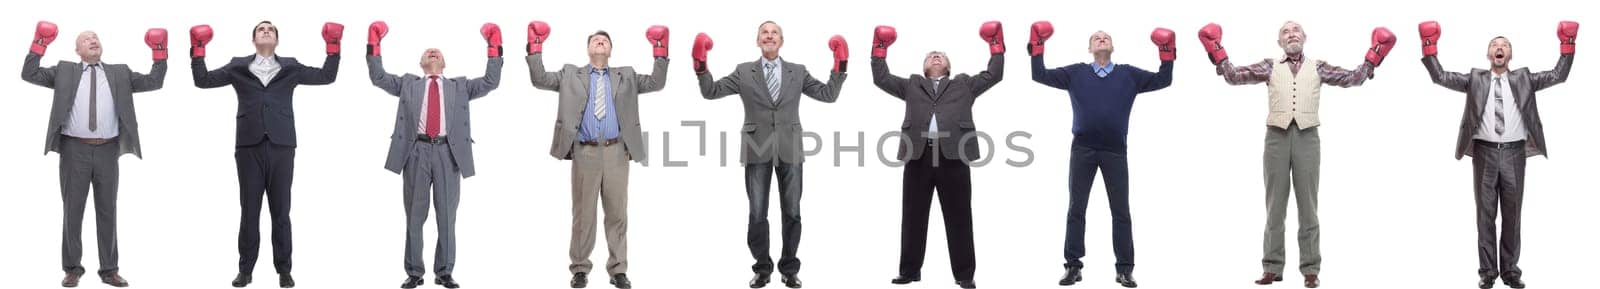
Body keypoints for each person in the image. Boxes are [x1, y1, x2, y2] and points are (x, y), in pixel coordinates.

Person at [1197, 21, 1394, 288]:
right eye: (1285, 32)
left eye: (1296, 30)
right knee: (1274, 207)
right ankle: (1272, 267)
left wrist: (1375, 54)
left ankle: (1310, 270)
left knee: (1308, 208)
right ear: (1279, 42)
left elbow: (1353, 78)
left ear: (1305, 37)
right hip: (1276, 139)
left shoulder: (1318, 67)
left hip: (1308, 138)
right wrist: (1216, 50)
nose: (1292, 34)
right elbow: (1233, 76)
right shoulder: (1269, 66)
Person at [1418, 20, 1578, 289]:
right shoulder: (1475, 79)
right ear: (1489, 55)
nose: (1499, 48)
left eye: (1504, 45)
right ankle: (1488, 273)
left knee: (1512, 214)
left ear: (1510, 55)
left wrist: (1568, 45)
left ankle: (1511, 272)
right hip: (1485, 154)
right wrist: (1428, 46)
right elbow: (1441, 77)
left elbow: (1557, 75)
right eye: (1495, 45)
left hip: (1515, 153)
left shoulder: (1524, 78)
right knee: (1485, 215)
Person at [691, 20, 847, 289]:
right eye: (765, 32)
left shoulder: (797, 72)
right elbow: (710, 91)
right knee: (757, 213)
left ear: (781, 41)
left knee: (793, 212)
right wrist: (700, 64)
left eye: (774, 33)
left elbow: (828, 94)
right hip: (756, 149)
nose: (769, 36)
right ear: (758, 41)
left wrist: (840, 64)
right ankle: (763, 269)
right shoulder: (743, 71)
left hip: (791, 148)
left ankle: (789, 269)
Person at [189, 20, 343, 288]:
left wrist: (333, 47)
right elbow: (203, 81)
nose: (266, 30)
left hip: (282, 145)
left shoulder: (291, 66)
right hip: (248, 146)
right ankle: (245, 270)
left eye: (270, 29)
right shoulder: (238, 66)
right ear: (253, 40)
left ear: (277, 40)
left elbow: (326, 77)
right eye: (261, 29)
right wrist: (198, 50)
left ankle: (284, 270)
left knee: (281, 211)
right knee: (249, 210)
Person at [20, 20, 168, 288]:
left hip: (108, 150)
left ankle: (109, 270)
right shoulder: (64, 71)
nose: (93, 40)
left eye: (96, 37)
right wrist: (39, 43)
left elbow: (154, 81)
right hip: (73, 149)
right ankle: (72, 269)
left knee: (107, 210)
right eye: (86, 38)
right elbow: (29, 74)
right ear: (77, 49)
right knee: (72, 211)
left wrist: (160, 52)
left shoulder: (119, 73)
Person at [525, 21, 669, 289]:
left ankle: (618, 270)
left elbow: (657, 82)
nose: (600, 41)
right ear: (588, 49)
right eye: (595, 39)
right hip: (584, 152)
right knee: (583, 214)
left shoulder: (626, 75)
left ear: (611, 50)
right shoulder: (570, 74)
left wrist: (660, 49)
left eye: (605, 40)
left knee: (617, 214)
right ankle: (580, 268)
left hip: (617, 152)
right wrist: (535, 47)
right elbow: (540, 79)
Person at [1031, 21, 1175, 288]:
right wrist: (1038, 46)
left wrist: (1167, 52)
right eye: (1096, 37)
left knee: (1121, 211)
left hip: (1115, 151)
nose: (1101, 39)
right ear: (1089, 48)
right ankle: (1073, 266)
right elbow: (1040, 75)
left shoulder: (1128, 74)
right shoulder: (1076, 73)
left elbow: (1163, 79)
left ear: (1112, 47)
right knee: (1076, 208)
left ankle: (1124, 269)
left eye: (1105, 37)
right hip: (1083, 149)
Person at [364, 21, 505, 289]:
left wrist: (494, 47)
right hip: (415, 152)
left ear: (444, 63)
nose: (433, 52)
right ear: (421, 63)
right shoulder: (408, 84)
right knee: (415, 216)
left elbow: (491, 82)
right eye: (428, 51)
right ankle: (415, 273)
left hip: (447, 153)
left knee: (446, 216)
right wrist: (374, 45)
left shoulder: (459, 87)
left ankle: (444, 272)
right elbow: (378, 78)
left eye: (437, 52)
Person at [870, 21, 1007, 289]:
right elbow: (881, 78)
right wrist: (879, 49)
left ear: (948, 66)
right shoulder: (912, 85)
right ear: (924, 67)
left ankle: (965, 275)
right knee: (913, 216)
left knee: (959, 217)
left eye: (941, 55)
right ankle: (909, 271)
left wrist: (996, 46)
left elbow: (994, 75)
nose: (936, 55)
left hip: (954, 157)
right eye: (931, 54)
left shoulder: (964, 84)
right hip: (918, 156)